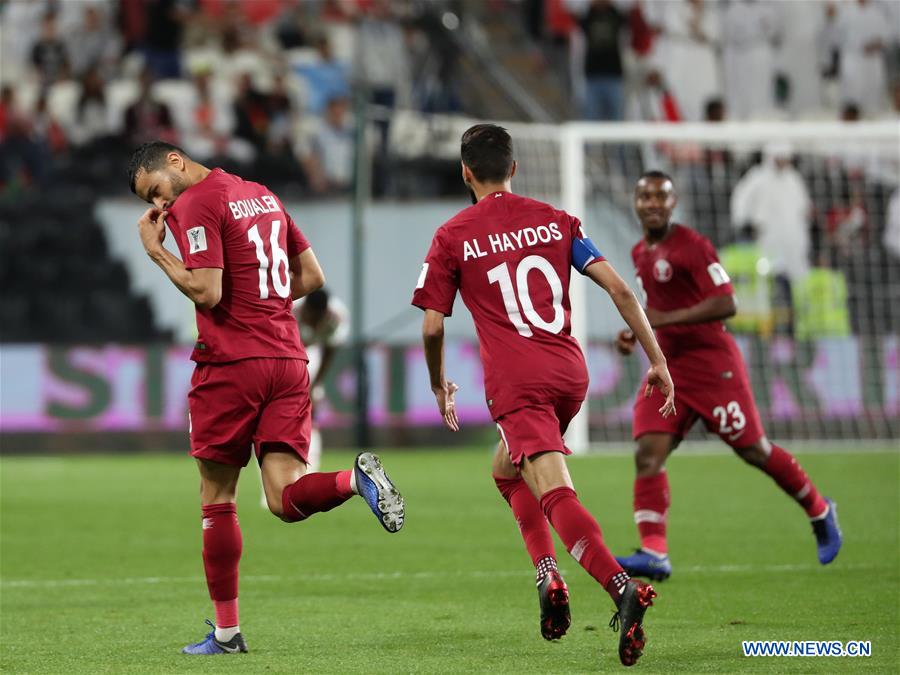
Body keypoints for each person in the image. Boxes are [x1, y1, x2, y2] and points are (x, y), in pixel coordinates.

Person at [411, 124, 675, 667]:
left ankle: (621, 587)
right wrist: (658, 359)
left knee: (554, 491)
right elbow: (621, 289)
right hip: (569, 373)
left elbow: (433, 327)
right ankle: (548, 574)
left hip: (518, 384)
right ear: (514, 168)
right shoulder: (557, 220)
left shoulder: (452, 235)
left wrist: (439, 384)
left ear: (465, 172)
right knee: (507, 473)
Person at [127, 140, 405, 655]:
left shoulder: (197, 204)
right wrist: (261, 303)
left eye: (157, 192)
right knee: (283, 498)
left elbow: (206, 291)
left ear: (174, 162)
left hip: (231, 365)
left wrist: (155, 250)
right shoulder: (262, 195)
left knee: (217, 500)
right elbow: (313, 277)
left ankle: (227, 634)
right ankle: (353, 479)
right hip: (289, 362)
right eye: (154, 202)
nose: (162, 207)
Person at [613, 171, 842, 582]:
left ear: (673, 202)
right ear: (635, 201)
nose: (651, 203)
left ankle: (820, 510)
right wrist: (639, 330)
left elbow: (726, 302)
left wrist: (665, 319)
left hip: (712, 364)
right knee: (647, 452)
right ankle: (654, 551)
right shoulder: (639, 252)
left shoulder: (693, 247)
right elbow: (655, 307)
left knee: (755, 451)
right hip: (671, 368)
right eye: (644, 196)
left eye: (660, 197)